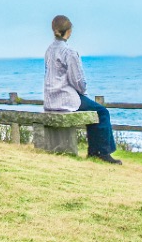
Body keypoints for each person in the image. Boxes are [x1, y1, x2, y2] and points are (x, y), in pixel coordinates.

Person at [44, 15, 121, 164]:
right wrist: (83, 92)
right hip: (66, 99)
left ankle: (96, 152)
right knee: (102, 112)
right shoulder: (69, 52)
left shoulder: (49, 50)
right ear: (69, 31)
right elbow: (77, 80)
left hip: (51, 100)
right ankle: (101, 152)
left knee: (94, 110)